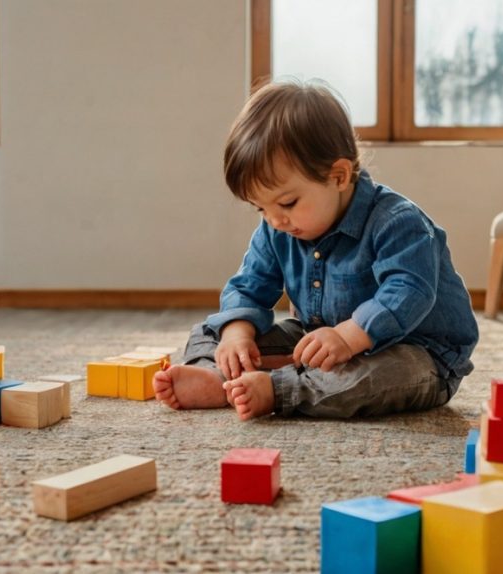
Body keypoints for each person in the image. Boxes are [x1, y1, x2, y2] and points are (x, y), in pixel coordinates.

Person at [152, 79, 479, 421]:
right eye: (260, 208)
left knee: (376, 375)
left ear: (338, 176)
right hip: (318, 341)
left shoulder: (399, 222)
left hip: (418, 354)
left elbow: (408, 292)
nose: (275, 220)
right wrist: (237, 335)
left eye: (287, 203)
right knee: (212, 331)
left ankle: (277, 389)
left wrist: (348, 337)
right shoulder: (278, 226)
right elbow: (248, 286)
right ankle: (220, 376)